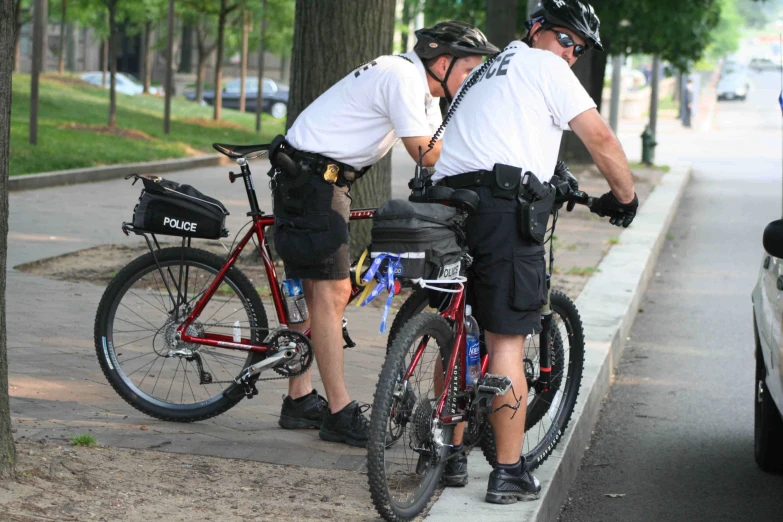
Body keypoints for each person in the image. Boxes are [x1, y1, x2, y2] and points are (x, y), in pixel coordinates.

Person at [431, 0, 638, 503]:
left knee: (454, 332)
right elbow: (601, 138)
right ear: (538, 30)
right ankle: (507, 471)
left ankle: (448, 453)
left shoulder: (484, 71)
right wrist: (626, 198)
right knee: (506, 339)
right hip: (501, 211)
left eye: (579, 48)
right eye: (566, 39)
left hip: (442, 206)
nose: (570, 53)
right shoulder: (543, 64)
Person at [269, 22, 499, 448]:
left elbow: (439, 151)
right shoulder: (402, 78)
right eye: (467, 70)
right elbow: (425, 152)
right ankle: (338, 412)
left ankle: (298, 399)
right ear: (443, 63)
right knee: (331, 292)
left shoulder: (423, 88)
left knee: (313, 289)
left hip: (317, 177)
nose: (470, 81)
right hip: (313, 179)